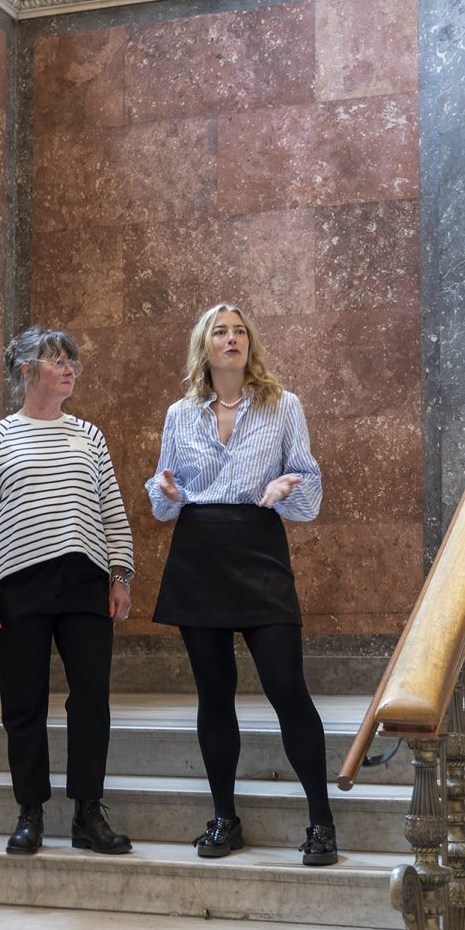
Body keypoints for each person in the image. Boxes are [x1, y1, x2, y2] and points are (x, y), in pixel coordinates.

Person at [145, 303, 337, 865]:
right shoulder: (181, 413)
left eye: (240, 331)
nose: (232, 339)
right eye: (220, 332)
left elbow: (309, 484)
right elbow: (161, 495)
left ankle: (321, 822)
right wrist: (167, 491)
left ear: (250, 344)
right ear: (204, 347)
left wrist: (286, 485)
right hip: (198, 551)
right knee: (213, 692)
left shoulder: (283, 405)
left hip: (258, 547)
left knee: (286, 687)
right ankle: (224, 818)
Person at [0, 326, 135, 857]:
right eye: (57, 360)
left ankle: (88, 813)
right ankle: (30, 812)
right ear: (26, 370)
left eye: (71, 362)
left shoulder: (90, 436)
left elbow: (112, 511)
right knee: (23, 702)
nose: (69, 369)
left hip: (85, 583)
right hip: (18, 585)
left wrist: (120, 576)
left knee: (92, 700)